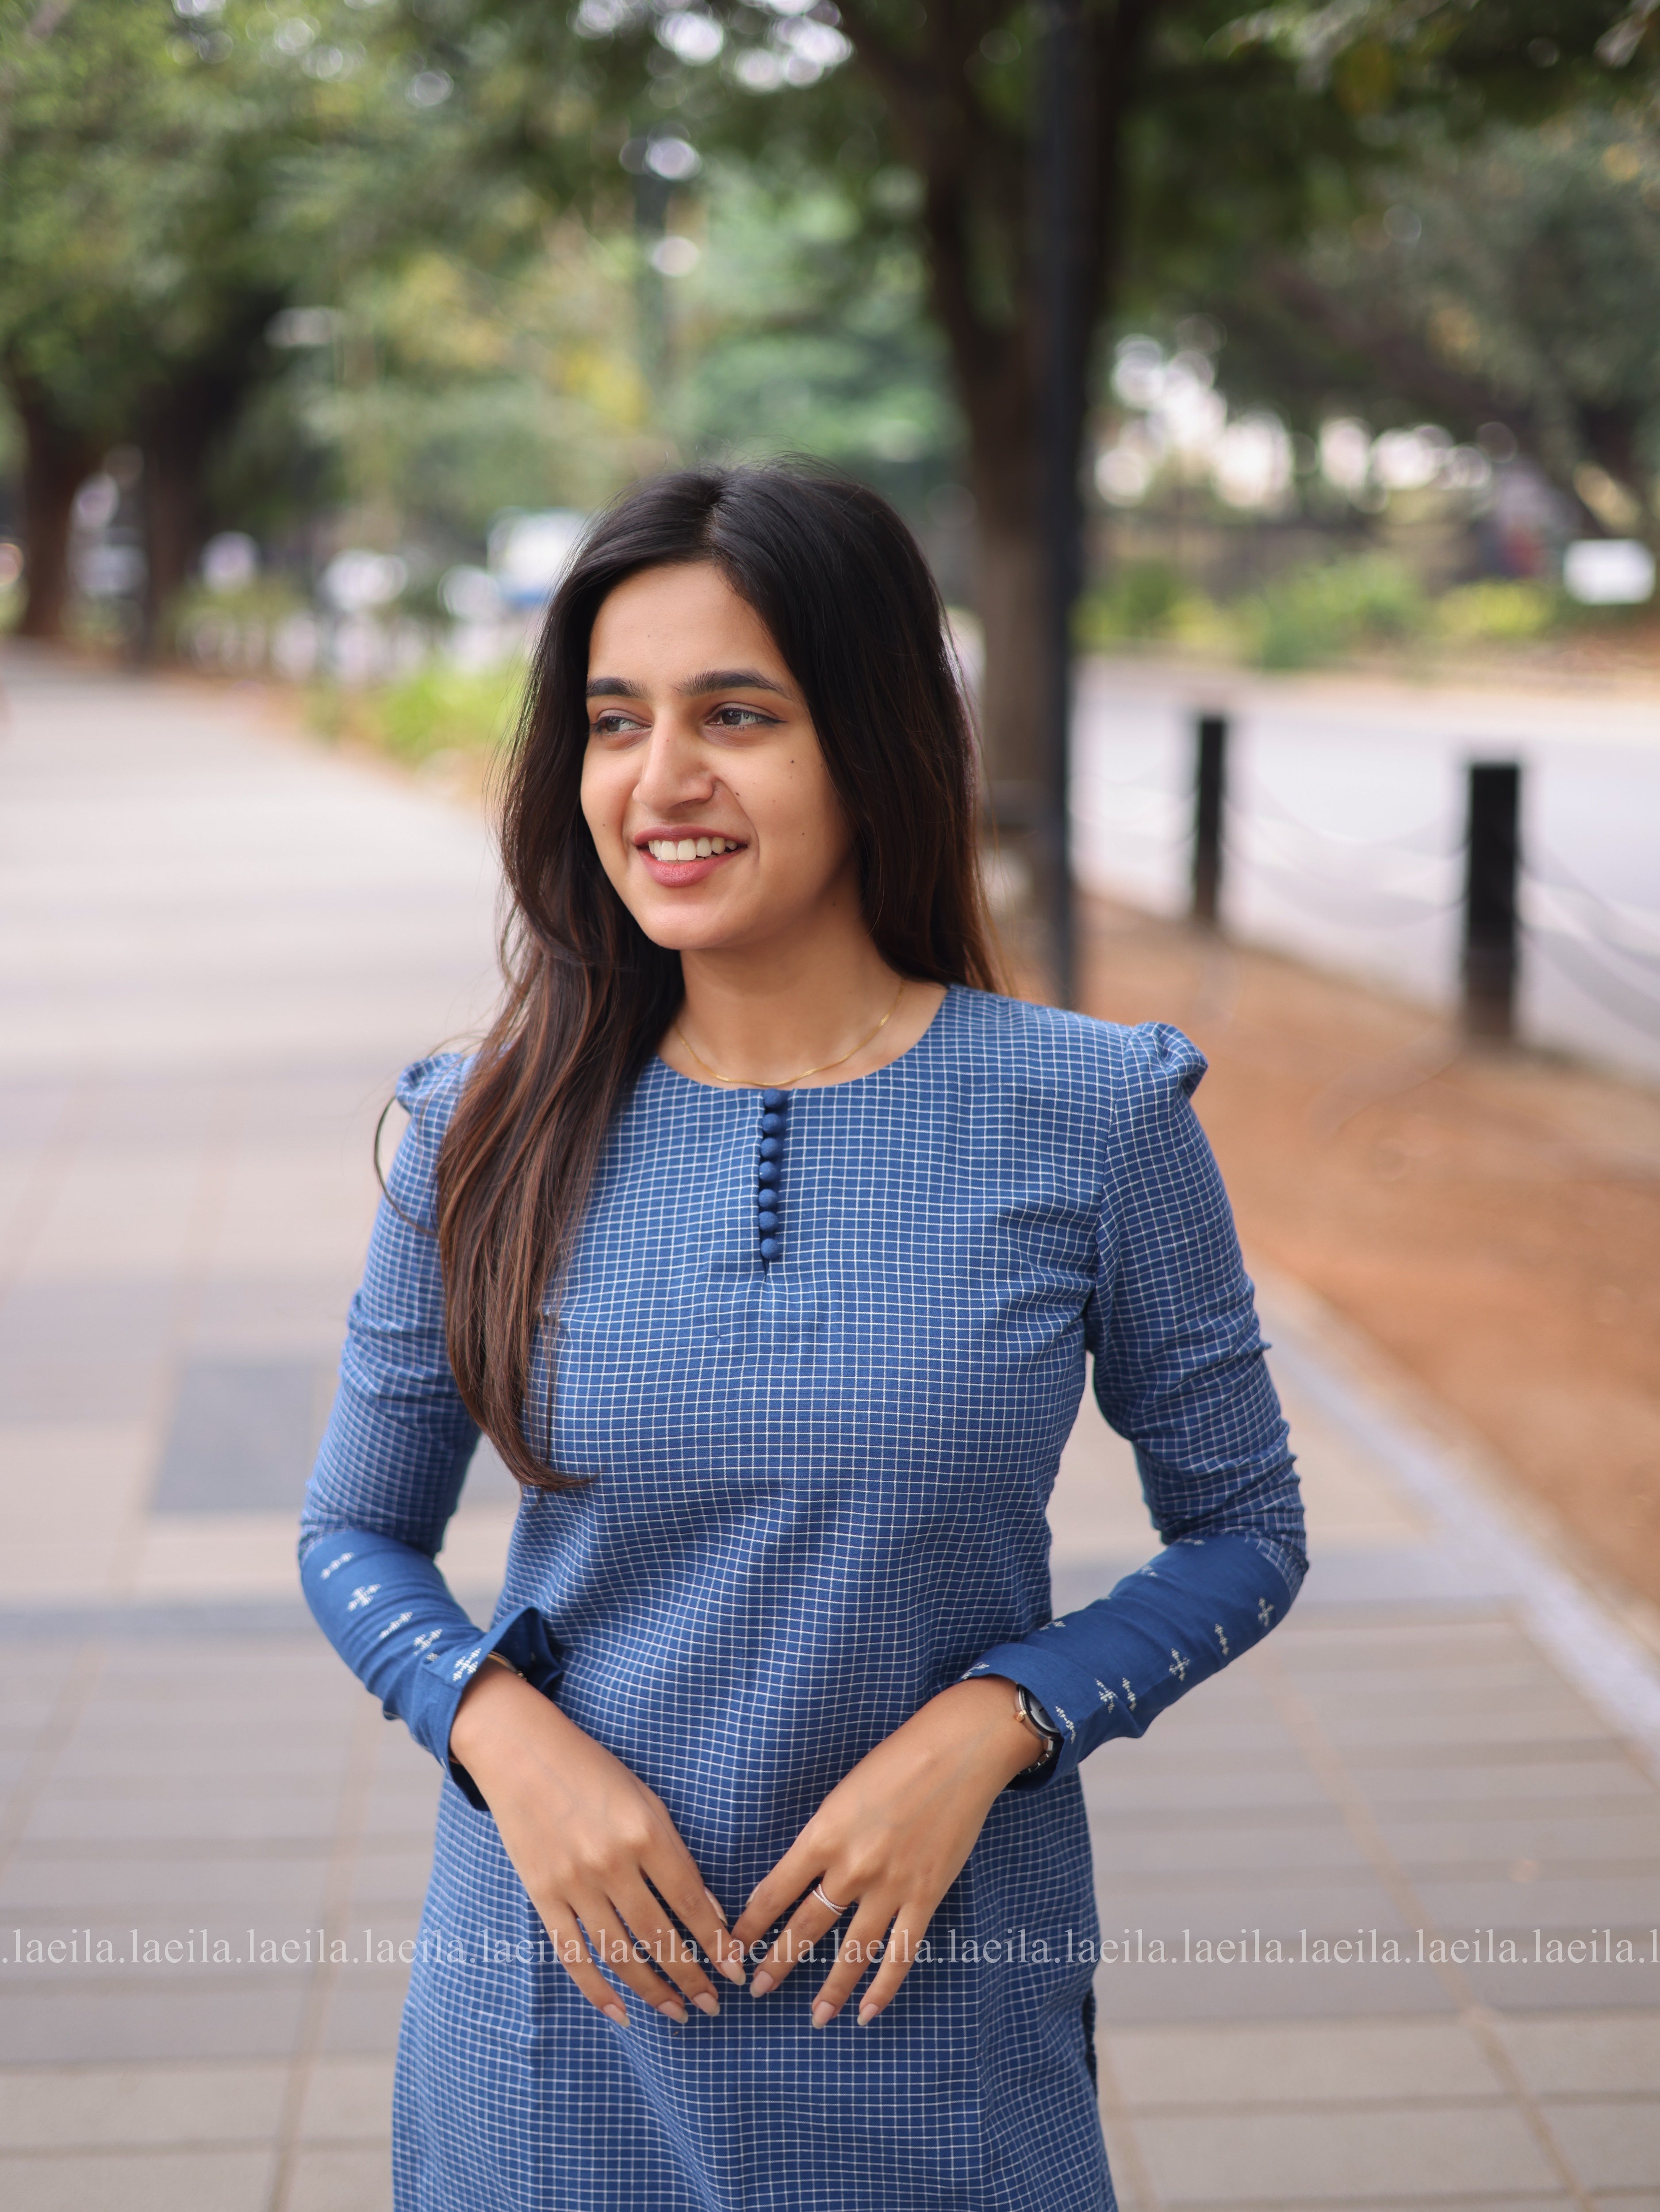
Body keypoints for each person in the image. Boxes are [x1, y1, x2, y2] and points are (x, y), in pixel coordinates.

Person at [299, 464, 1306, 2212]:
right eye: (617, 721)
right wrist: (503, 1734)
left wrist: (999, 1718)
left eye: (736, 714)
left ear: (873, 735)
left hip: (939, 1997)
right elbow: (353, 1532)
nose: (661, 778)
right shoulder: (484, 1125)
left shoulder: (1093, 1117)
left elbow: (1246, 1533)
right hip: (555, 2005)